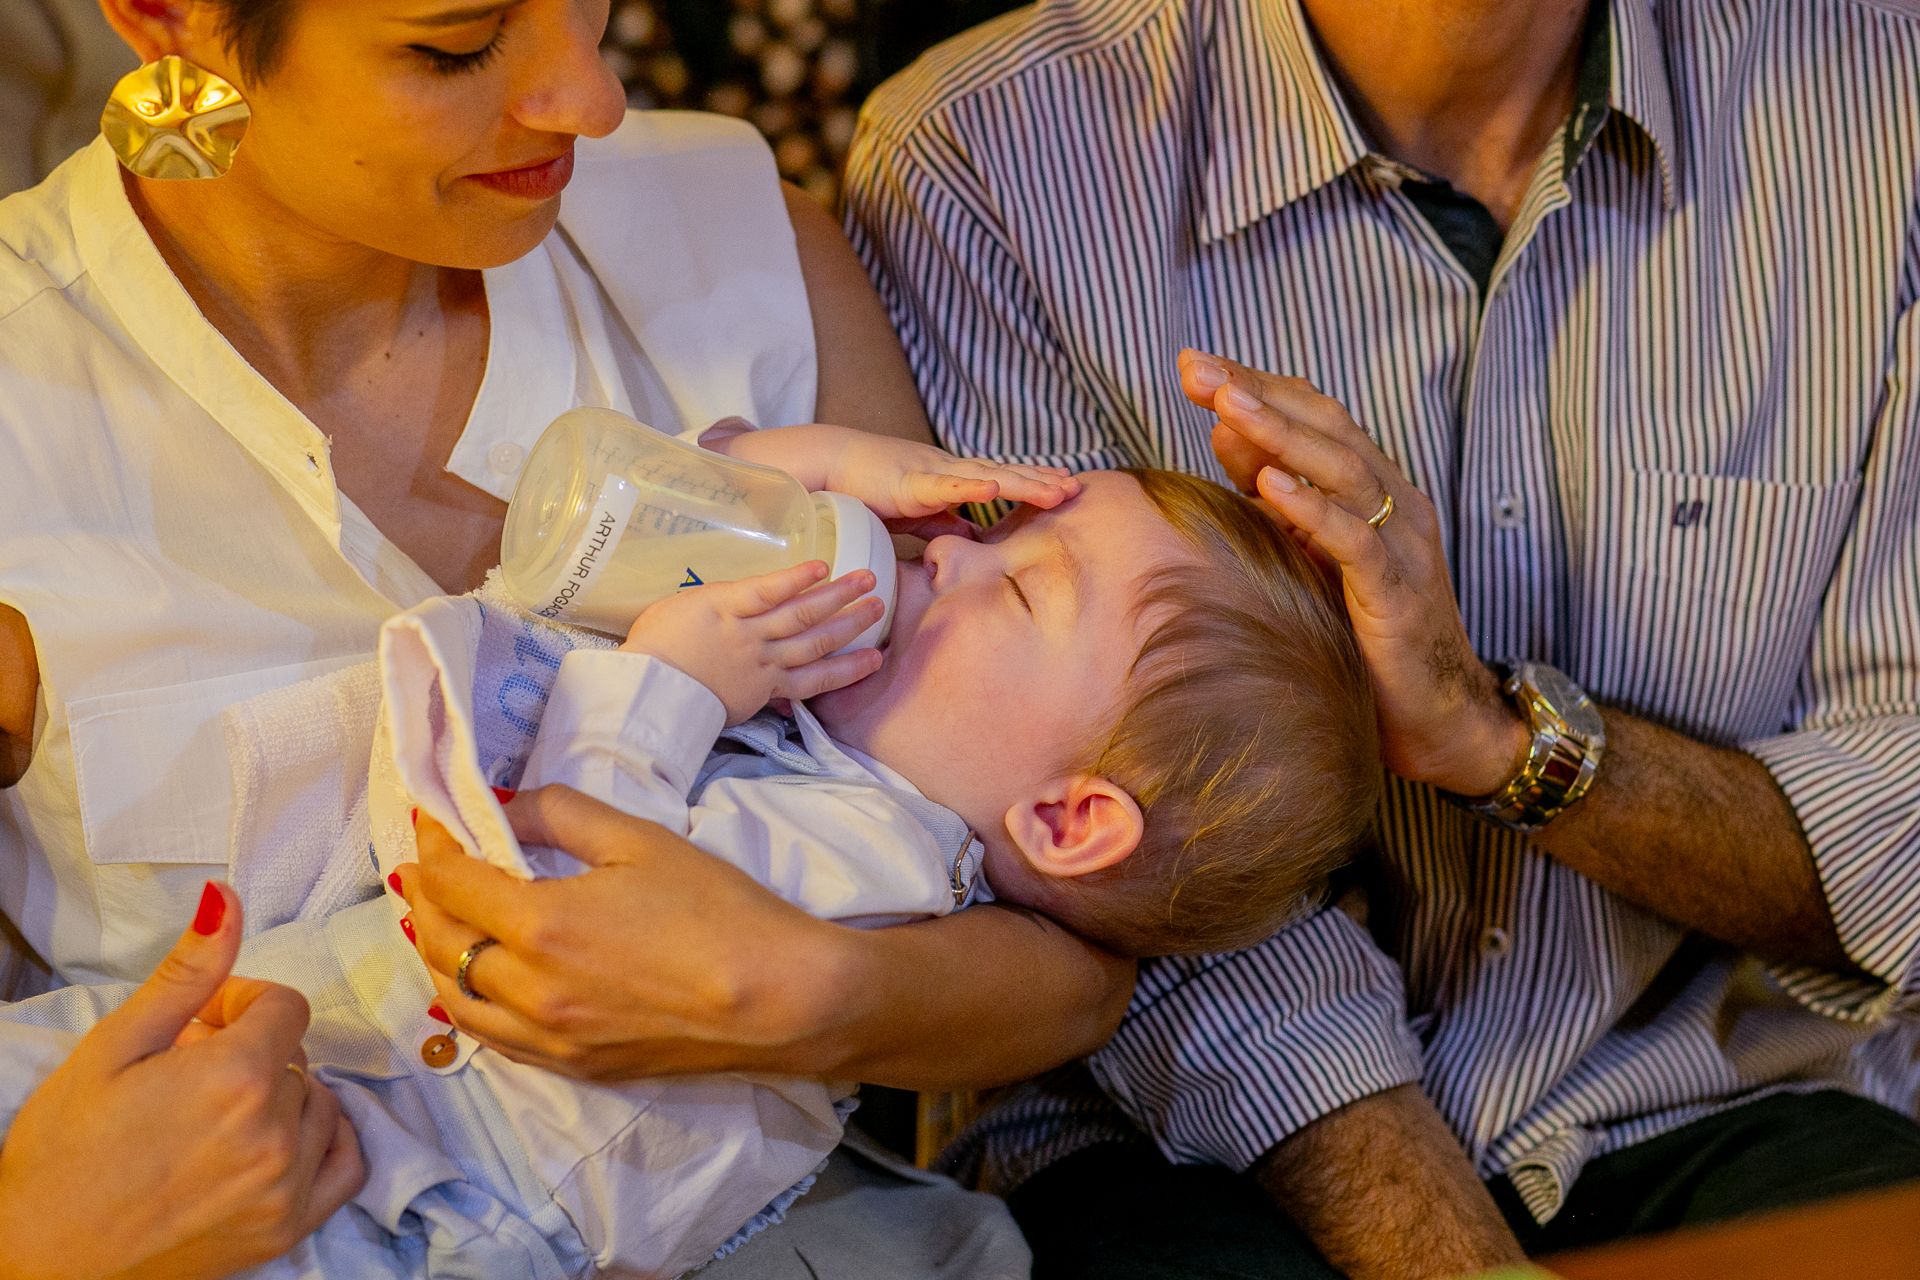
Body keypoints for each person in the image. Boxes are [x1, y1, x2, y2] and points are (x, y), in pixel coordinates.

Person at [0, 0, 1131, 1272]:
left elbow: (1074, 943)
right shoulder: (25, 405)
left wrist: (804, 993)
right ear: (169, 18)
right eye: (461, 42)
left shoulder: (738, 240)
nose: (590, 99)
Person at [841, 0, 1920, 1274]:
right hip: (1181, 1136)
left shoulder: (1881, 96)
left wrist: (1491, 735)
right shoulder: (985, 155)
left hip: (1742, 1097)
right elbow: (1072, 834)